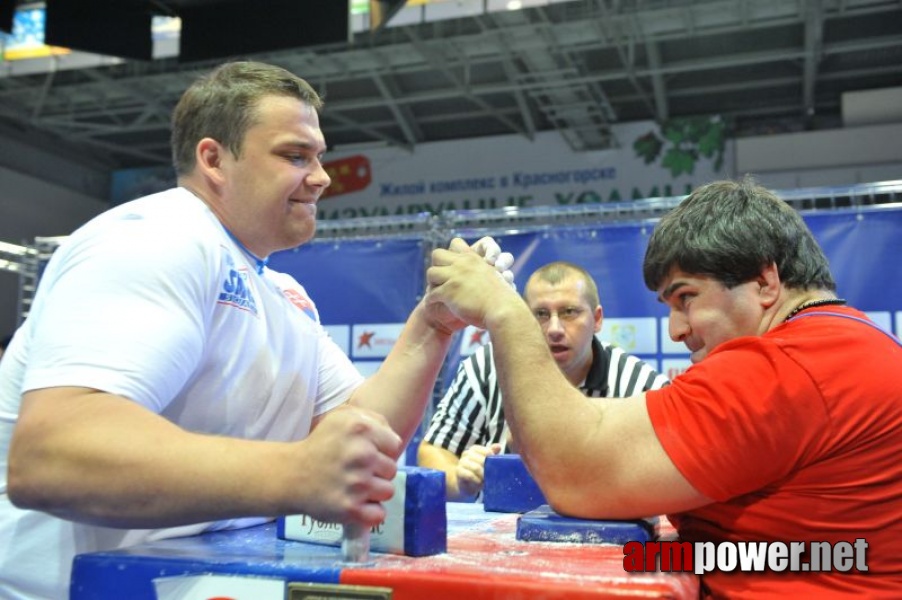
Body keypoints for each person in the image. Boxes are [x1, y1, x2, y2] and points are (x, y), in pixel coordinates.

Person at [0, 61, 512, 600]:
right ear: (214, 159)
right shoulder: (155, 240)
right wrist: (294, 474)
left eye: (319, 156)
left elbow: (358, 434)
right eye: (295, 156)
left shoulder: (282, 293)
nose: (321, 177)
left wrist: (433, 323)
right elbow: (54, 455)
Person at [424, 177, 902, 597]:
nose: (675, 329)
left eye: (687, 298)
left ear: (764, 280)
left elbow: (578, 476)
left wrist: (505, 314)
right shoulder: (835, 343)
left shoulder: (791, 365)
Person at [418, 261, 668, 500]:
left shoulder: (642, 386)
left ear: (597, 319)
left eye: (569, 312)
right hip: (499, 534)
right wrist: (460, 481)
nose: (555, 329)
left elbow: (672, 472)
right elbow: (434, 451)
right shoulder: (485, 369)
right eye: (540, 314)